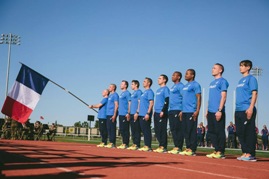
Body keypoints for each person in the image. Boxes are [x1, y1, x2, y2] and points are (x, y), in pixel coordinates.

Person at [235, 60, 258, 162]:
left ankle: (250, 153)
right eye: (240, 66)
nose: (240, 68)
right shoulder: (240, 81)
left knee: (248, 132)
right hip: (238, 110)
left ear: (248, 67)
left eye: (242, 66)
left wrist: (251, 108)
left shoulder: (251, 79)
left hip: (247, 109)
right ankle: (245, 152)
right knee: (240, 132)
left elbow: (254, 93)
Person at [206, 63, 229, 159]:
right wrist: (207, 110)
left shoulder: (223, 81)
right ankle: (216, 150)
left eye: (214, 68)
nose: (212, 69)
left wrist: (219, 110)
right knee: (211, 131)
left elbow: (224, 96)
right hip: (210, 111)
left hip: (218, 111)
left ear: (220, 70)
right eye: (212, 68)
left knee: (219, 131)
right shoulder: (211, 83)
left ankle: (220, 151)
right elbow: (210, 98)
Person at [179, 69, 201, 156]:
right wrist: (181, 110)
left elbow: (198, 97)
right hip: (184, 111)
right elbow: (184, 99)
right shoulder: (185, 86)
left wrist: (197, 110)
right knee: (185, 130)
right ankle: (188, 147)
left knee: (191, 130)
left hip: (191, 111)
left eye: (187, 74)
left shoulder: (196, 85)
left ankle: (192, 149)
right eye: (185, 73)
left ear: (192, 75)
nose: (185, 75)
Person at [135, 77, 154, 152]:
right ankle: (145, 145)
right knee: (143, 130)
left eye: (144, 81)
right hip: (140, 114)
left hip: (145, 114)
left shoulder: (150, 92)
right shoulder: (143, 93)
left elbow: (151, 103)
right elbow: (140, 103)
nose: (143, 82)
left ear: (148, 83)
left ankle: (148, 146)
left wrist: (148, 113)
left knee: (146, 130)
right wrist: (137, 112)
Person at [167, 71, 184, 154]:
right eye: (172, 75)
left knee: (178, 129)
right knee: (173, 129)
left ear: (179, 77)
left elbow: (185, 97)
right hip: (171, 109)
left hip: (178, 109)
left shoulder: (181, 86)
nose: (172, 76)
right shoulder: (173, 87)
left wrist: (182, 110)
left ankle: (179, 146)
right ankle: (176, 146)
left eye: (174, 75)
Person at [153, 74, 170, 153]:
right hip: (156, 112)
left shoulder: (165, 89)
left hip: (162, 112)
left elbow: (167, 100)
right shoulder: (158, 90)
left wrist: (163, 110)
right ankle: (160, 145)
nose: (158, 80)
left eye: (160, 78)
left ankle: (163, 146)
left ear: (164, 80)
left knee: (162, 129)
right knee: (157, 130)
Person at [127, 80, 142, 150]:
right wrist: (129, 112)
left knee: (136, 129)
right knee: (133, 129)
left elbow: (140, 102)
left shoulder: (139, 92)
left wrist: (137, 112)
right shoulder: (133, 93)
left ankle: (137, 144)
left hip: (136, 113)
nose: (131, 85)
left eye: (132, 84)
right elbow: (130, 103)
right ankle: (134, 143)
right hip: (132, 113)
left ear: (136, 85)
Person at [117, 80, 131, 149]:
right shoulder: (121, 94)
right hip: (120, 113)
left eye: (122, 84)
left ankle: (126, 143)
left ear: (125, 85)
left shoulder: (127, 93)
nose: (120, 85)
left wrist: (128, 112)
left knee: (125, 129)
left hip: (125, 114)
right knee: (121, 129)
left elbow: (129, 103)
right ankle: (123, 142)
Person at [105, 84, 119, 148]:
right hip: (108, 114)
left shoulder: (115, 95)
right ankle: (110, 142)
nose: (109, 88)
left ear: (113, 88)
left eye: (110, 87)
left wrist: (114, 114)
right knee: (108, 128)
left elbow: (116, 105)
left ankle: (113, 143)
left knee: (112, 128)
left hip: (112, 114)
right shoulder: (110, 95)